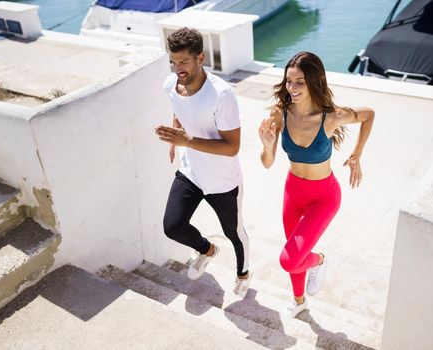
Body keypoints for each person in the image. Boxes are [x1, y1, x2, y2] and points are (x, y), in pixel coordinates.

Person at [258, 51, 374, 317]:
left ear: (314, 81)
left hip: (324, 196)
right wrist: (267, 146)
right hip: (293, 191)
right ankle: (299, 303)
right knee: (294, 254)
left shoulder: (330, 117)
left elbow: (368, 115)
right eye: (289, 81)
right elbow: (267, 162)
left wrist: (357, 154)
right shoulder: (279, 115)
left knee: (290, 260)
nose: (292, 88)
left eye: (300, 82)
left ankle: (319, 261)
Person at [155, 27, 252, 297]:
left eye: (183, 62)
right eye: (173, 62)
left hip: (223, 180)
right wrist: (177, 137)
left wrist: (187, 140)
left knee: (234, 232)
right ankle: (207, 249)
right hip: (192, 172)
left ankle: (244, 273)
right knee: (172, 226)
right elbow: (181, 111)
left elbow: (232, 147)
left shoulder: (222, 95)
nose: (177, 69)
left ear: (201, 58)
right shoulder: (170, 85)